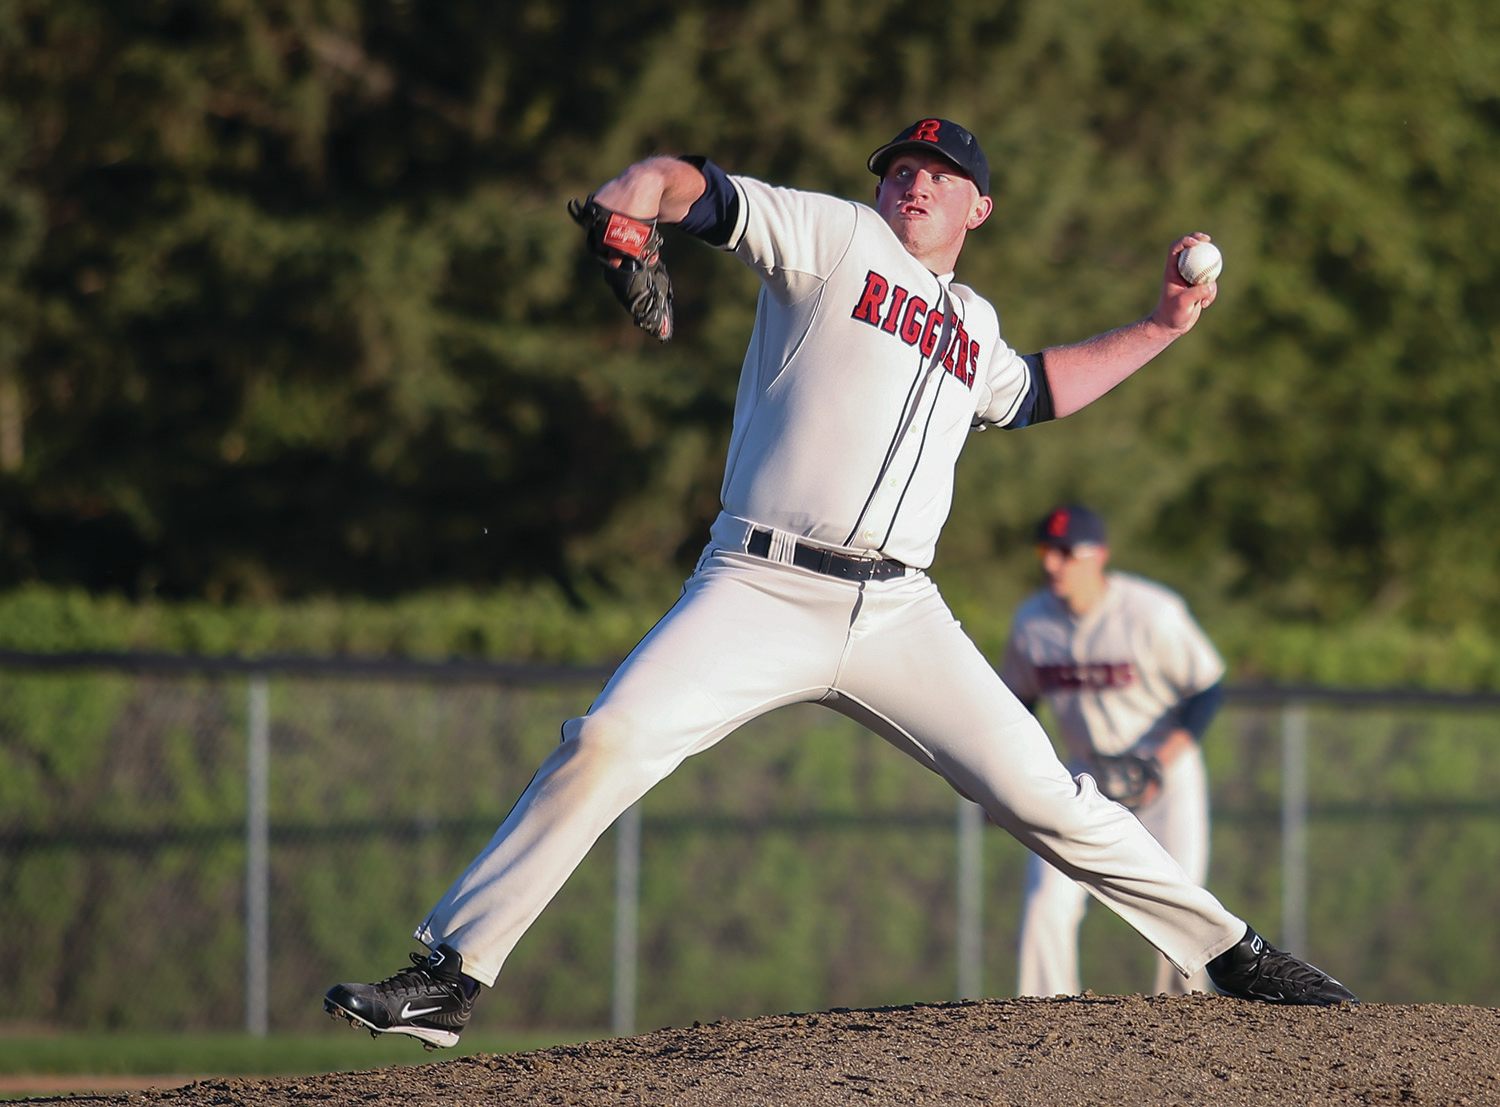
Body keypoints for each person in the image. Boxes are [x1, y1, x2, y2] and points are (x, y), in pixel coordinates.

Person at [324, 118, 1355, 1049]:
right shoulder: (834, 240)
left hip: (901, 610)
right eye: (902, 168)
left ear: (978, 208)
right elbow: (694, 186)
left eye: (941, 174)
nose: (916, 182)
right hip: (759, 585)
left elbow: (1037, 390)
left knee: (1050, 798)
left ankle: (1230, 953)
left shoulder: (975, 326)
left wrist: (1165, 326)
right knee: (606, 740)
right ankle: (449, 976)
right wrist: (633, 200)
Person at [1000, 504, 1225, 997]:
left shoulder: (1151, 612)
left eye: (1065, 553)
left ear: (1097, 556)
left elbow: (1206, 688)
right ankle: (1043, 1011)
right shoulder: (1032, 622)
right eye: (1046, 551)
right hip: (1085, 778)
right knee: (1047, 901)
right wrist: (1006, 779)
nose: (1051, 564)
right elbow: (1017, 706)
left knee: (1179, 906)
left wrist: (1163, 759)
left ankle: (1189, 1021)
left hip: (1162, 774)